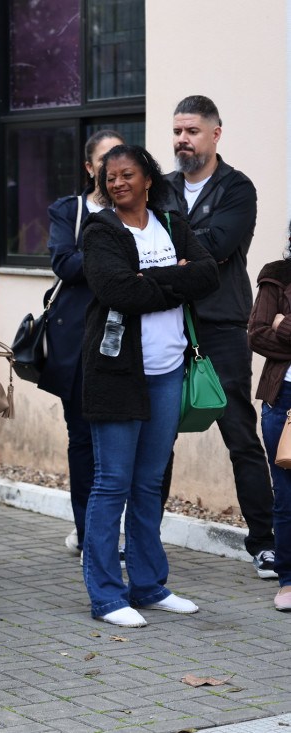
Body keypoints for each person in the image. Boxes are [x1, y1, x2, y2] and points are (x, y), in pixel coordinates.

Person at [81, 144, 218, 628]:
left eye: (127, 175)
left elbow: (207, 275)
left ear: (147, 179)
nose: (117, 183)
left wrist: (152, 280)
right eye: (110, 176)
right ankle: (106, 595)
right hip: (118, 375)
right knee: (111, 483)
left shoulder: (172, 223)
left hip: (167, 372)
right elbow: (117, 289)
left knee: (148, 483)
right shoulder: (100, 230)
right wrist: (172, 278)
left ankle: (149, 585)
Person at [164, 95, 276, 579]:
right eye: (177, 132)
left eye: (191, 131)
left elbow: (218, 246)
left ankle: (266, 543)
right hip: (165, 322)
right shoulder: (161, 187)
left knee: (240, 437)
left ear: (215, 134)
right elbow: (140, 238)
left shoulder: (238, 188)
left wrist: (168, 244)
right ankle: (145, 538)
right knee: (156, 437)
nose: (182, 140)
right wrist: (185, 245)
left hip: (222, 326)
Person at [41, 130, 126, 555]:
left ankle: (115, 528)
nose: (115, 169)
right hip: (76, 342)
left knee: (124, 438)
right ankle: (89, 532)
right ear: (90, 168)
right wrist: (117, 265)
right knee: (82, 439)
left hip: (129, 339)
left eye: (122, 159)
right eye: (106, 159)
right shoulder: (69, 210)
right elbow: (63, 262)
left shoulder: (143, 211)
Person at [247, 232, 291, 611]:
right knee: (288, 493)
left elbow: (275, 330)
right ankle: (289, 580)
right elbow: (257, 334)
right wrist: (273, 325)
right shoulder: (276, 275)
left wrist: (286, 325)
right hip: (286, 399)